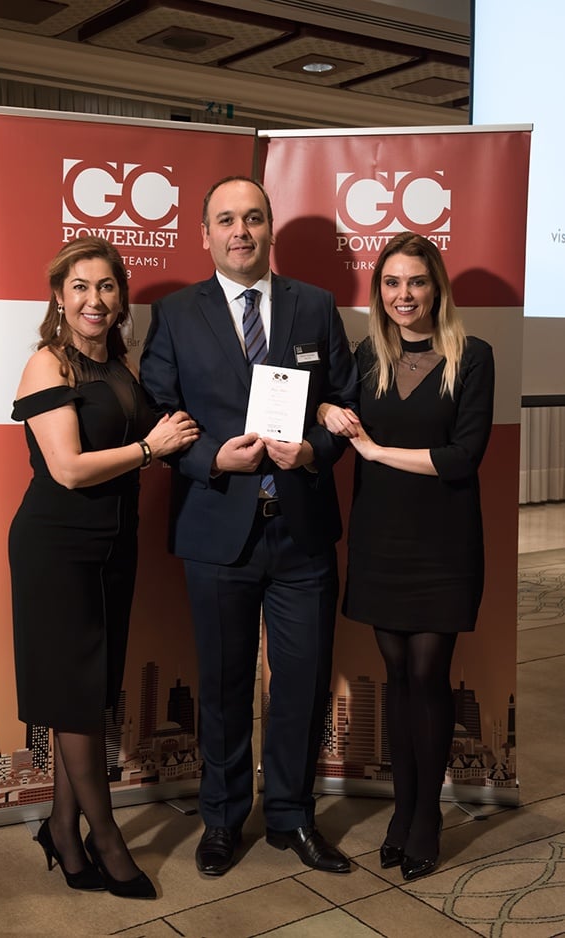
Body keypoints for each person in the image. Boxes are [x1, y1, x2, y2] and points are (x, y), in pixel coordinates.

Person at [140, 176, 358, 876]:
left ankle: (292, 817)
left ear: (270, 229)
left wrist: (314, 450)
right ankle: (223, 819)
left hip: (301, 528)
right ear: (205, 233)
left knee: (301, 683)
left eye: (254, 218)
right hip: (216, 528)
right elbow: (156, 406)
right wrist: (211, 458)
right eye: (227, 219)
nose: (242, 231)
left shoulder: (315, 306)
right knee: (224, 684)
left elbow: (343, 399)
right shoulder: (176, 313)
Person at [8, 237, 199, 899]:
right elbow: (66, 468)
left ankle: (62, 829)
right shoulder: (48, 364)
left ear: (121, 300)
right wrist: (150, 447)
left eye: (107, 286)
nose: (95, 299)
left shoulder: (117, 366)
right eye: (81, 287)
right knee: (74, 695)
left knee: (88, 696)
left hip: (115, 546)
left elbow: (163, 432)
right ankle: (106, 838)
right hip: (57, 548)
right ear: (60, 298)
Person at [318, 231, 495, 881]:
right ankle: (402, 810)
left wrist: (373, 451)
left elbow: (462, 457)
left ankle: (427, 818)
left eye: (416, 281)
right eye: (392, 282)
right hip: (379, 538)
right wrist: (328, 413)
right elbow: (330, 410)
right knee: (396, 676)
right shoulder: (368, 357)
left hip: (443, 542)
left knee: (428, 673)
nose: (404, 295)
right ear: (379, 292)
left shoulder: (473, 357)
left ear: (436, 288)